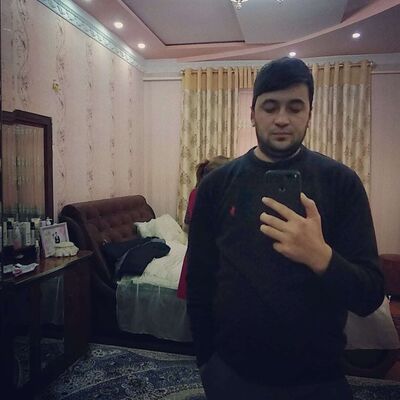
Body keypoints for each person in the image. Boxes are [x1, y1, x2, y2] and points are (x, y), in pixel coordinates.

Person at [186, 57, 384, 400]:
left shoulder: (341, 183)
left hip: (320, 377)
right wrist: (207, 362)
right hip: (231, 373)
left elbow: (369, 296)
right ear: (252, 113)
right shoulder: (216, 185)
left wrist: (321, 257)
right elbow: (199, 281)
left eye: (295, 107)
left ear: (310, 113)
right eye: (270, 106)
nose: (281, 118)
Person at [177, 156, 230, 299]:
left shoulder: (196, 193)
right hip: (208, 260)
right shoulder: (211, 195)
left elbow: (187, 226)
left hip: (199, 256)